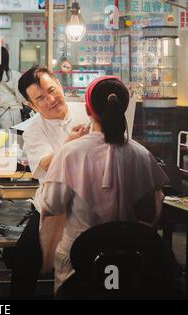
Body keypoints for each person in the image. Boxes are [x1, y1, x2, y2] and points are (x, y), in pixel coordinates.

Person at [34, 76, 169, 293]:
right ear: (123, 109)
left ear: (88, 110)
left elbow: (51, 207)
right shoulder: (141, 155)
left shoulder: (70, 153)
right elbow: (148, 213)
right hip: (130, 267)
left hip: (76, 268)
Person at [18, 66, 90, 180]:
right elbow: (46, 166)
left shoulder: (87, 111)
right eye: (41, 98)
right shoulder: (32, 132)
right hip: (60, 194)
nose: (51, 100)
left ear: (59, 84)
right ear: (32, 105)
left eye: (52, 90)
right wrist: (69, 144)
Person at [0, 47, 27, 129]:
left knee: (3, 140)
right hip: (16, 115)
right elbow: (21, 98)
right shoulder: (15, 75)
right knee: (17, 140)